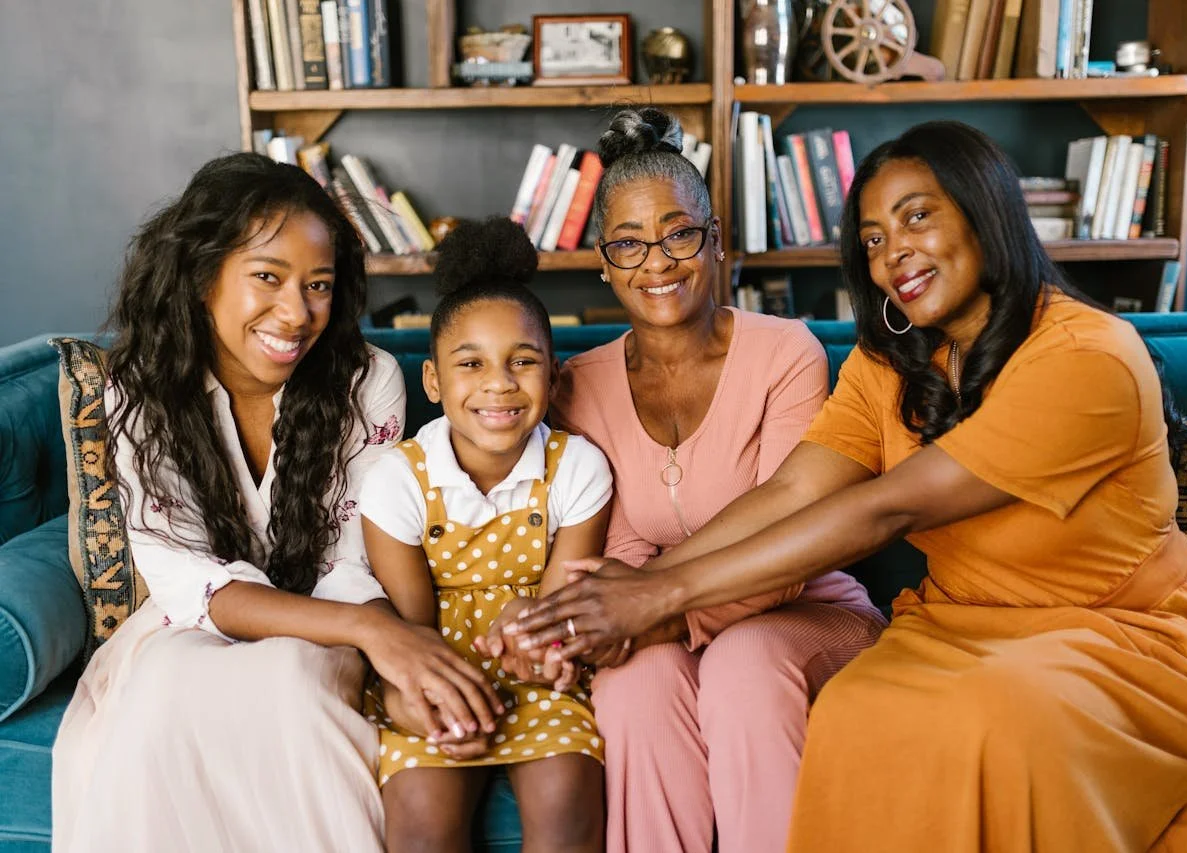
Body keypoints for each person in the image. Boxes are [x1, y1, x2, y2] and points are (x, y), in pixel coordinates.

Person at [510, 121, 1187, 851]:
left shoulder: (1087, 356)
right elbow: (788, 492)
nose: (892, 254)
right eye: (872, 238)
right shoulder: (889, 362)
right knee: (855, 709)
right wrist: (634, 589)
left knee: (987, 719)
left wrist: (659, 594)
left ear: (984, 215)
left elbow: (887, 505)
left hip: (1123, 634)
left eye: (915, 218)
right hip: (959, 626)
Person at [52, 153, 506, 852]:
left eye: (318, 285)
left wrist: (375, 633)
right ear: (204, 275)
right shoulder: (142, 387)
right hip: (195, 626)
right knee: (163, 688)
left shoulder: (367, 381)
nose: (296, 314)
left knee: (293, 683)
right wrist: (382, 635)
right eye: (267, 276)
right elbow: (185, 580)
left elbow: (355, 557)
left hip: (332, 620)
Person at [541, 107, 887, 853]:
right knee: (633, 685)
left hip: (808, 613)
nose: (656, 262)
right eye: (628, 243)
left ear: (716, 239)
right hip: (653, 615)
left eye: (679, 233)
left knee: (740, 662)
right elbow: (620, 559)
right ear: (602, 260)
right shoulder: (577, 386)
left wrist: (654, 614)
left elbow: (790, 549)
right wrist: (619, 619)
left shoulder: (784, 353)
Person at [358, 216, 612, 853]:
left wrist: (540, 635)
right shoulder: (398, 479)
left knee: (567, 811)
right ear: (434, 381)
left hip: (536, 672)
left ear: (553, 378)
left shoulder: (577, 467)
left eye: (522, 362)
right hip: (433, 672)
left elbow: (561, 605)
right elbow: (411, 629)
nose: (499, 383)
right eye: (470, 364)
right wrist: (431, 698)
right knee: (420, 828)